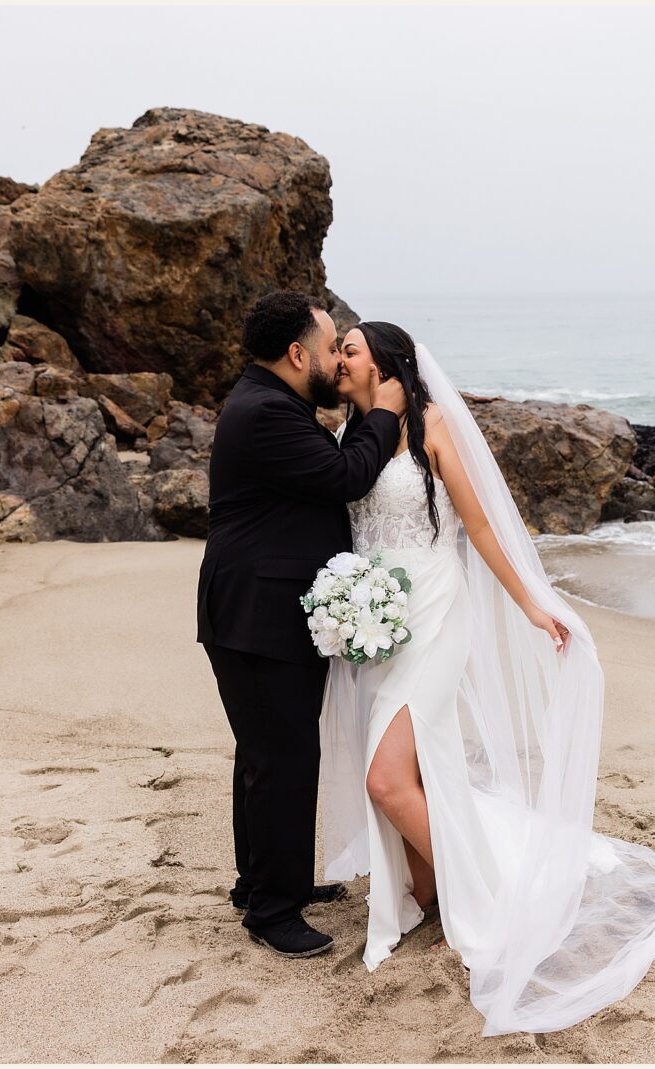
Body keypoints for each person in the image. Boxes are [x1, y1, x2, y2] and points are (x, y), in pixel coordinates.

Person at [318, 321, 655, 1035]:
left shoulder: (432, 421)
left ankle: (488, 899)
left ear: (385, 362)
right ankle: (438, 890)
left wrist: (535, 602)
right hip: (383, 623)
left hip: (438, 615)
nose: (337, 359)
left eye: (349, 349)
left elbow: (478, 527)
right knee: (424, 766)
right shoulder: (354, 431)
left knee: (385, 779)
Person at [196, 291, 407, 958]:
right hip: (258, 613)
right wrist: (388, 417)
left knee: (266, 755)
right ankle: (273, 910)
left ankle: (262, 882)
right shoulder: (267, 413)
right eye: (325, 348)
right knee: (283, 756)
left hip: (256, 608)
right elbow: (347, 475)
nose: (332, 360)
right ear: (296, 354)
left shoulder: (269, 402)